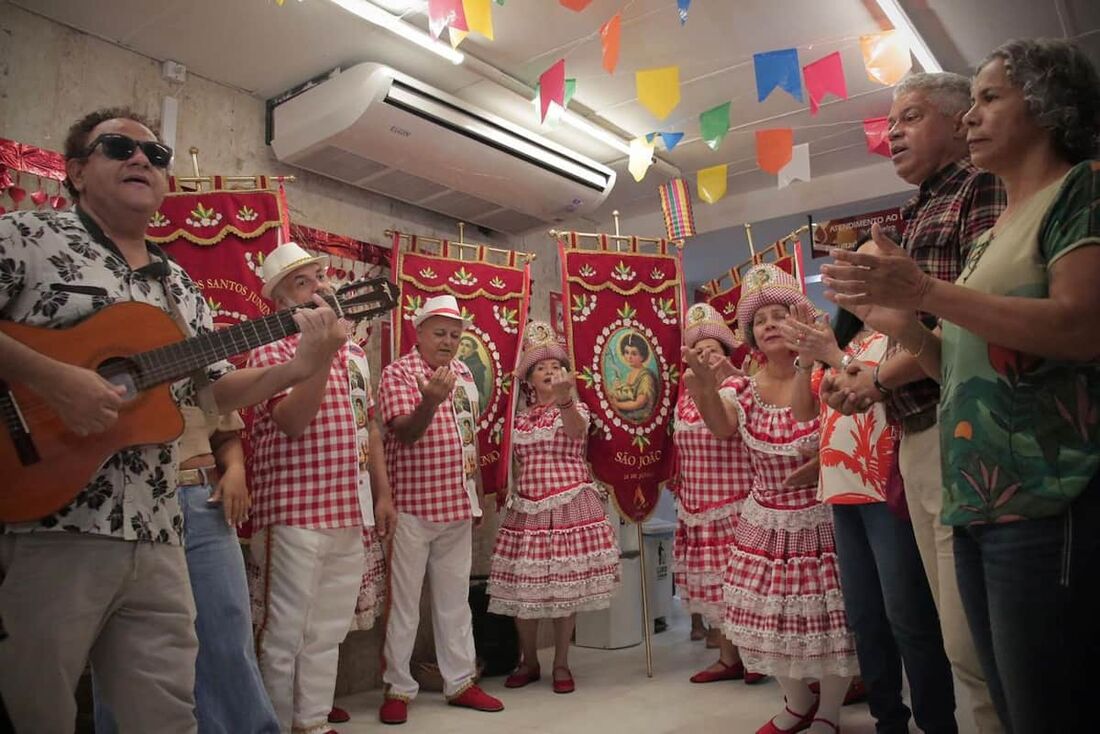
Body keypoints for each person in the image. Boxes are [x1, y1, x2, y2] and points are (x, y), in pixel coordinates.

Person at [0, 108, 341, 732]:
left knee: (164, 713)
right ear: (76, 170)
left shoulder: (180, 287)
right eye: (118, 147)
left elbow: (213, 390)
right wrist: (55, 379)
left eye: (156, 155)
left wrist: (300, 366)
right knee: (35, 710)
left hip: (161, 530)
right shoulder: (25, 237)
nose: (141, 159)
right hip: (52, 522)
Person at [822, 38, 1100, 732]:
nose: (974, 116)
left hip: (1040, 477)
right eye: (970, 100)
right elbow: (954, 350)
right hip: (975, 476)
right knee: (982, 667)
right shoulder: (988, 223)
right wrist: (894, 324)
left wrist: (919, 295)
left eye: (989, 97)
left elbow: (1079, 326)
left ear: (1045, 106)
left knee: (1036, 691)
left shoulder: (1075, 189)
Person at [820, 71, 1006, 734]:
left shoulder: (980, 187)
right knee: (956, 640)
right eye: (889, 120)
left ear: (961, 124)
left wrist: (877, 369)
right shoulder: (920, 209)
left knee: (973, 642)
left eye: (911, 116)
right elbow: (922, 336)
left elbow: (968, 330)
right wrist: (874, 356)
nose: (891, 132)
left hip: (963, 427)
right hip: (918, 431)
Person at [783, 246, 958, 734]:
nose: (858, 273)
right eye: (852, 265)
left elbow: (899, 397)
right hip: (842, 493)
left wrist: (831, 356)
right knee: (865, 619)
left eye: (870, 263)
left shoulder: (904, 330)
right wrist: (809, 359)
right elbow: (811, 413)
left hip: (888, 487)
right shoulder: (844, 336)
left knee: (909, 618)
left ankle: (937, 721)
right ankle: (888, 721)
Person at [686, 264, 858, 734]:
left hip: (822, 519)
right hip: (763, 522)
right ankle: (797, 702)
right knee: (768, 620)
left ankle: (830, 712)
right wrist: (702, 388)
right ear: (749, 337)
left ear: (799, 320)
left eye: (780, 315)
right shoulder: (740, 387)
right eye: (760, 321)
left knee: (829, 619)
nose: (769, 326)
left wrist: (804, 361)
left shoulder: (824, 373)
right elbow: (721, 427)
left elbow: (807, 412)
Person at [248, 241, 397, 734]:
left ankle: (311, 722)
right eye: (302, 283)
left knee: (328, 628)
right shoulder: (269, 346)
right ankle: (274, 723)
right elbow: (291, 421)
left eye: (319, 277)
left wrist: (382, 494)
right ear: (279, 300)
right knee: (285, 629)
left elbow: (368, 424)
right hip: (293, 510)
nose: (318, 289)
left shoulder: (354, 351)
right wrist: (321, 353)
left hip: (348, 509)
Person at [377, 294, 504, 725]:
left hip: (456, 505)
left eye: (455, 334)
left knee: (455, 603)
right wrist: (429, 401)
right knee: (405, 605)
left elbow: (470, 439)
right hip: (411, 509)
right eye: (440, 333)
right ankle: (397, 687)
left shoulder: (465, 374)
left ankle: (460, 683)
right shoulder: (398, 373)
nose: (448, 341)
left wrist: (478, 493)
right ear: (419, 332)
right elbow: (405, 433)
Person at [487, 320, 620, 693]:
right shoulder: (519, 419)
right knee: (521, 591)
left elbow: (578, 431)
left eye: (554, 366)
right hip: (527, 506)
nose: (548, 371)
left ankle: (561, 662)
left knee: (565, 589)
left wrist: (564, 400)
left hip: (569, 505)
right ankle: (528, 661)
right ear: (529, 379)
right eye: (540, 367)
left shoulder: (574, 408)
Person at [669, 303, 763, 686]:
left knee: (738, 584)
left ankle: (755, 658)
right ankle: (728, 659)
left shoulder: (740, 386)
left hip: (733, 501)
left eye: (713, 349)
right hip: (695, 501)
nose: (705, 354)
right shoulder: (687, 396)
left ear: (728, 354)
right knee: (713, 585)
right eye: (699, 349)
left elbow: (727, 431)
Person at [608, 332, 658, 422]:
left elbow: (639, 403)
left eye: (634, 353)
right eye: (627, 352)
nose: (629, 357)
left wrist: (616, 404)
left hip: (640, 418)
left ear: (642, 356)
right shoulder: (629, 374)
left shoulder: (646, 377)